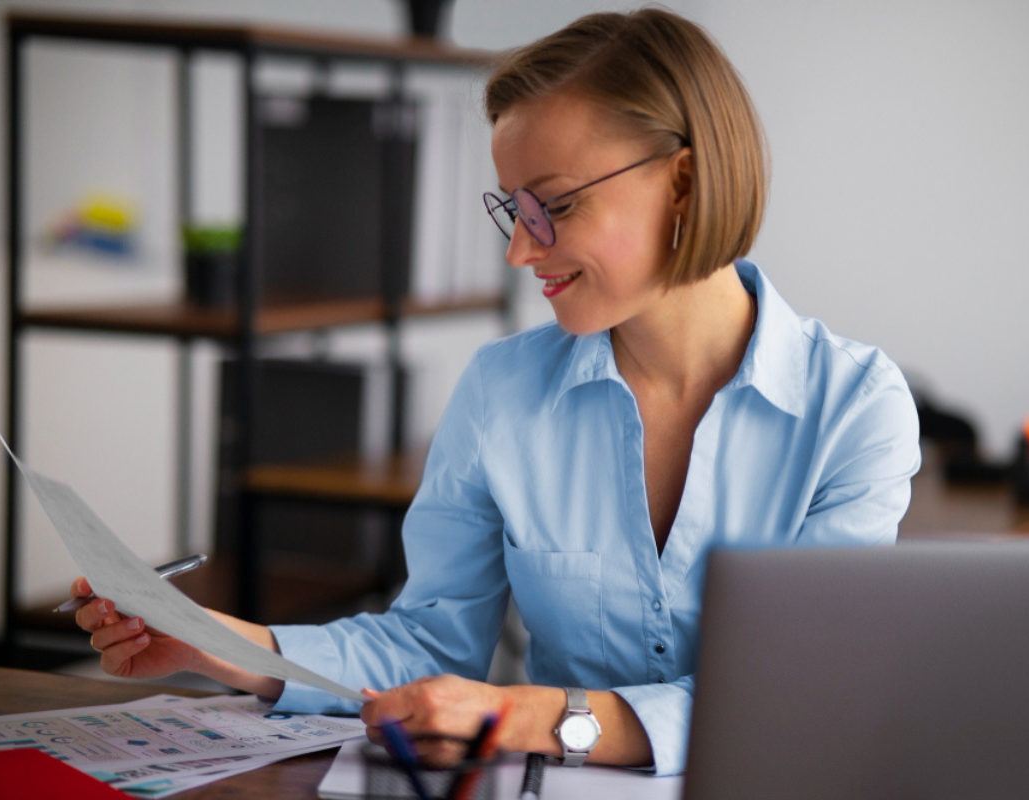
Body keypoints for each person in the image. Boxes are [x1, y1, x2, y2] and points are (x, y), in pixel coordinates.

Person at [71, 8, 920, 777]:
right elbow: (429, 642)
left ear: (684, 184)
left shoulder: (855, 408)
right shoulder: (502, 391)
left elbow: (792, 702)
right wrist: (211, 644)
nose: (520, 251)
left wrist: (533, 717)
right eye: (511, 210)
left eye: (551, 205)